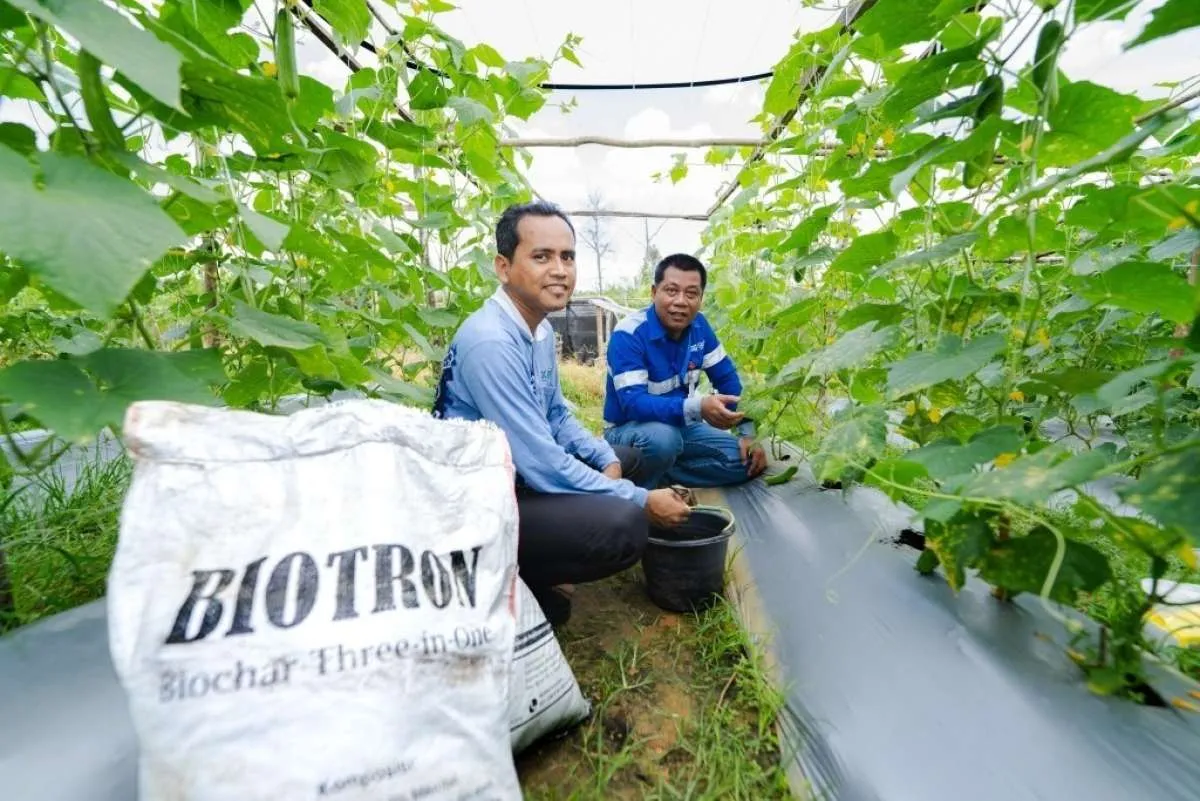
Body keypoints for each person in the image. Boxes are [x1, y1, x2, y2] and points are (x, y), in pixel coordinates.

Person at [432, 201, 692, 625]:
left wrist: (604, 458)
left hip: (514, 475)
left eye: (567, 256)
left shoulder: (537, 331)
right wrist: (641, 499)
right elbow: (542, 462)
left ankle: (541, 563)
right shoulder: (492, 343)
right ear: (503, 267)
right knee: (625, 524)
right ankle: (522, 576)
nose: (560, 270)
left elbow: (555, 416)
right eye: (541, 256)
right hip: (477, 502)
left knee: (624, 459)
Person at [602, 253, 768, 490]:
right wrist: (698, 407)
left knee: (746, 461)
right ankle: (644, 498)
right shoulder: (629, 334)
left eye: (691, 294)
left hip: (680, 426)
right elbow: (634, 404)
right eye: (671, 291)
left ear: (700, 298)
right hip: (628, 430)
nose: (681, 301)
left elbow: (728, 380)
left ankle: (661, 475)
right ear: (653, 292)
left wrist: (747, 432)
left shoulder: (700, 327)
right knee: (662, 439)